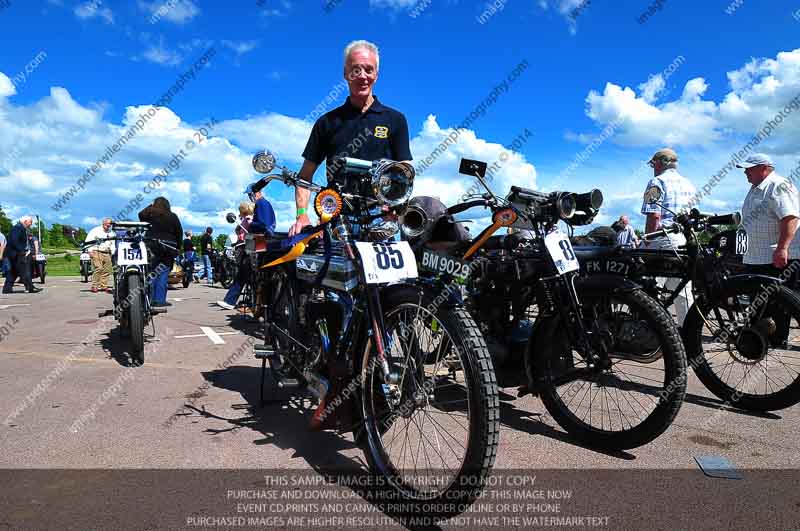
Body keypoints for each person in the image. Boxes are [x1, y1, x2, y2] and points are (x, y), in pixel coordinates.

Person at [289, 39, 412, 237]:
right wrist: (302, 215)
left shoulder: (396, 120)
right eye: (356, 70)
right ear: (345, 74)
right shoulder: (327, 122)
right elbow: (304, 177)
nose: (362, 76)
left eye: (368, 70)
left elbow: (406, 172)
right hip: (335, 217)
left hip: (383, 220)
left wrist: (397, 205)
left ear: (376, 75)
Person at [640, 148, 697, 325]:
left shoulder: (656, 182)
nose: (652, 168)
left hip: (664, 240)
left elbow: (654, 215)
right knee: (682, 291)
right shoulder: (689, 184)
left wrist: (647, 240)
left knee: (645, 286)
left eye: (652, 164)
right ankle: (688, 331)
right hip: (685, 240)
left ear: (659, 163)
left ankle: (646, 329)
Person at [739, 153, 800, 273]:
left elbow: (790, 218)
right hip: (758, 259)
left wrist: (782, 249)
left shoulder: (779, 186)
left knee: (778, 292)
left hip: (776, 260)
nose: (745, 172)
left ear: (764, 168)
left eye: (749, 169)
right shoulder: (755, 189)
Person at [138, 197, 182, 307]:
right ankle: (160, 300)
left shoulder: (149, 215)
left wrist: (150, 206)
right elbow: (179, 233)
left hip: (152, 245)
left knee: (151, 273)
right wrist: (178, 247)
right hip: (168, 246)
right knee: (163, 274)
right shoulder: (172, 216)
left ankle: (149, 299)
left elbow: (140, 214)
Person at [217, 201, 256, 310]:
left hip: (246, 246)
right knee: (245, 275)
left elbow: (249, 230)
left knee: (243, 274)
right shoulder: (244, 220)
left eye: (240, 210)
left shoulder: (248, 219)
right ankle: (247, 301)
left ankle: (230, 301)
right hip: (245, 246)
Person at [2, 216, 40, 294]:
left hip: (13, 253)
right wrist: (22, 251)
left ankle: (7, 289)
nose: (31, 224)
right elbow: (14, 240)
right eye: (30, 222)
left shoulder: (19, 228)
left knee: (14, 271)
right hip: (16, 253)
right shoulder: (18, 228)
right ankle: (30, 287)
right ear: (25, 221)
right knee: (24, 270)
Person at [84, 218, 115, 293]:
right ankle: (94, 286)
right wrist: (89, 251)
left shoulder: (112, 233)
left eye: (110, 224)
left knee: (107, 270)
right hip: (96, 251)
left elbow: (113, 244)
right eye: (107, 224)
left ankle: (103, 286)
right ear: (103, 223)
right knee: (99, 268)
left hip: (107, 252)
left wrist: (113, 252)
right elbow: (88, 241)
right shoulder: (95, 230)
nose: (108, 226)